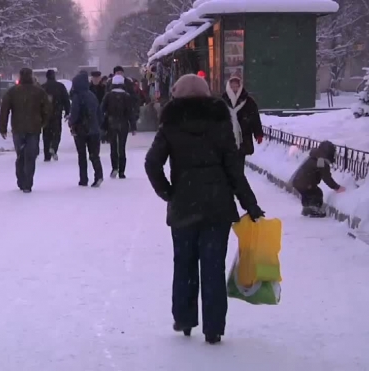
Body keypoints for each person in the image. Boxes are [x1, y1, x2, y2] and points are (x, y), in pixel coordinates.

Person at [144, 74, 264, 345]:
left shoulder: (170, 125)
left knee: (184, 265)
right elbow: (234, 170)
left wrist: (168, 192)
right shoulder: (220, 124)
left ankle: (185, 320)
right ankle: (214, 328)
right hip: (217, 207)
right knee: (212, 267)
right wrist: (250, 204)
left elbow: (152, 163)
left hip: (184, 207)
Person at [0, 68, 51, 193]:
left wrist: (3, 127)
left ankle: (21, 179)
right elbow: (47, 109)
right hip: (34, 128)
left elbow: (4, 110)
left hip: (18, 128)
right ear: (31, 76)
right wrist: (43, 122)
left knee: (20, 155)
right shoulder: (39, 92)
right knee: (31, 156)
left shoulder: (12, 92)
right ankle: (28, 183)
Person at [290, 140, 346, 217]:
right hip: (306, 183)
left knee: (307, 194)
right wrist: (336, 187)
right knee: (317, 193)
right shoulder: (321, 161)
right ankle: (314, 209)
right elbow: (327, 178)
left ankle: (307, 208)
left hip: (297, 181)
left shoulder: (315, 157)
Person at [222, 76, 264, 171]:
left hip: (243, 136)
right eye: (232, 86)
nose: (234, 89)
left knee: (240, 162)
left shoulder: (248, 101)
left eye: (236, 86)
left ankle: (238, 179)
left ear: (240, 86)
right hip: (227, 136)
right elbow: (217, 118)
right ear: (229, 86)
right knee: (228, 162)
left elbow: (255, 118)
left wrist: (258, 134)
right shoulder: (223, 100)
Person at [69, 72, 104, 187]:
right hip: (94, 130)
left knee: (82, 155)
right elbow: (99, 113)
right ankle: (98, 175)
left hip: (81, 130)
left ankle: (83, 179)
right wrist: (98, 125)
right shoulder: (92, 95)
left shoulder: (77, 96)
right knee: (94, 155)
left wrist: (71, 123)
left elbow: (74, 113)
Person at [101, 74, 136, 179]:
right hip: (123, 124)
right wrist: (133, 126)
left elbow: (102, 110)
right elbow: (130, 112)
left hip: (111, 123)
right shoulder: (127, 96)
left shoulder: (108, 95)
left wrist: (102, 124)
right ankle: (122, 171)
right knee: (122, 147)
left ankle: (114, 167)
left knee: (113, 147)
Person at [41, 69, 71, 162]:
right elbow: (66, 100)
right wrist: (67, 111)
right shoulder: (60, 87)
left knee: (46, 134)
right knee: (56, 132)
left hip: (45, 114)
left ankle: (47, 155)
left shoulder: (42, 87)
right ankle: (54, 147)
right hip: (56, 113)